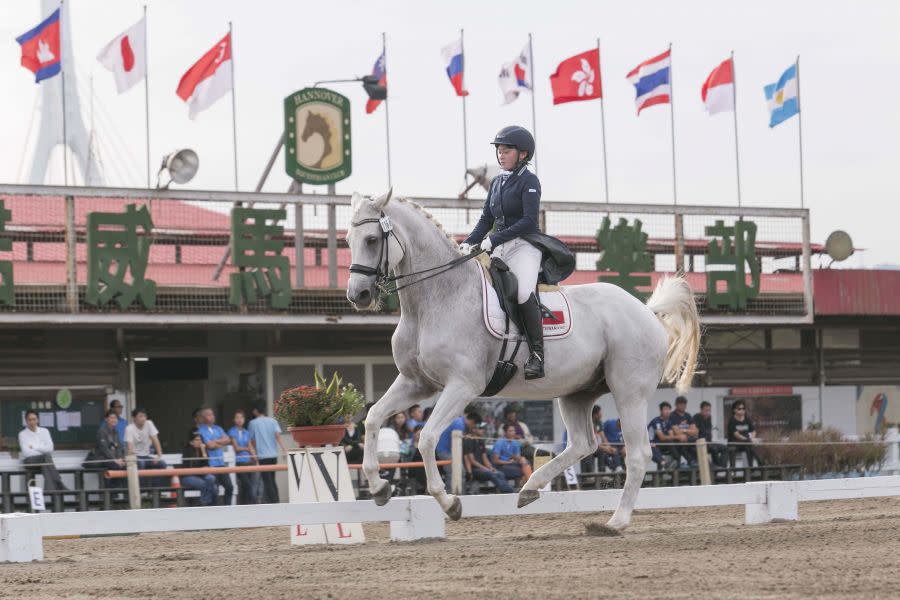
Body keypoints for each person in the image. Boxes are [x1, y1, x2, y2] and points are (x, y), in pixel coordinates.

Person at [459, 126, 550, 380]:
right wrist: (469, 242)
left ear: (522, 154)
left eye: (506, 150)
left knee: (522, 293)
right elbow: (486, 218)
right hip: (500, 247)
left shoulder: (530, 181)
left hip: (525, 246)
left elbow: (529, 221)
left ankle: (537, 356)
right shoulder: (498, 181)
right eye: (499, 150)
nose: (501, 154)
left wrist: (495, 238)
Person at [18, 409, 68, 491]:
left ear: (38, 420)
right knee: (46, 456)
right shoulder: (22, 434)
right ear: (26, 421)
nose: (32, 422)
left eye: (34, 419)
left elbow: (50, 448)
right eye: (30, 420)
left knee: (45, 464)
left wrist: (34, 447)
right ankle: (59, 483)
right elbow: (27, 453)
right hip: (29, 461)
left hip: (43, 461)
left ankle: (49, 490)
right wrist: (42, 449)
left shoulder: (45, 431)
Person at [463, 415, 513, 494]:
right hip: (474, 469)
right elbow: (472, 461)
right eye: (481, 428)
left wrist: (490, 467)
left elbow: (484, 458)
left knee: (500, 473)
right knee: (491, 474)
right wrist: (485, 469)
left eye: (483, 428)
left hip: (482, 468)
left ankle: (503, 491)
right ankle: (509, 491)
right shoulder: (469, 441)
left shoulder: (481, 441)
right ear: (474, 429)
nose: (483, 430)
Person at [249, 404, 287, 503]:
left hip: (262, 456)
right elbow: (278, 436)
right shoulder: (273, 421)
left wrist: (254, 454)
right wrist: (284, 450)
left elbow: (251, 441)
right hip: (273, 455)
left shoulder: (253, 423)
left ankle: (274, 502)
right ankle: (275, 501)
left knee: (267, 481)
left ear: (256, 411)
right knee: (272, 479)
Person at [197, 406, 233, 506]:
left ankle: (227, 509)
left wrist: (215, 441)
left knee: (229, 487)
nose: (212, 416)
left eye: (212, 414)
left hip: (221, 464)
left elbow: (228, 440)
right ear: (203, 418)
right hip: (211, 465)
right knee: (214, 490)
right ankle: (214, 510)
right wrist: (220, 442)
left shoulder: (218, 428)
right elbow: (210, 445)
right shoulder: (201, 430)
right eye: (208, 415)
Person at [124, 408, 167, 488]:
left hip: (146, 456)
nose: (143, 418)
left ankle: (155, 489)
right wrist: (130, 460)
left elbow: (155, 440)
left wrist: (159, 455)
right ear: (134, 418)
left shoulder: (149, 423)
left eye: (144, 416)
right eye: (140, 416)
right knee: (141, 463)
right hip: (134, 456)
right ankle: (142, 489)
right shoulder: (129, 428)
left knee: (162, 464)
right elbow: (130, 448)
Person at [228, 410, 259, 505]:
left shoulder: (246, 432)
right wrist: (248, 449)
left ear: (244, 419)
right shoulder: (232, 431)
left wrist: (255, 458)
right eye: (237, 417)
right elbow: (236, 448)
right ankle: (253, 505)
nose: (239, 420)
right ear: (234, 419)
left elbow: (251, 446)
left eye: (241, 417)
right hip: (239, 462)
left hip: (248, 461)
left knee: (248, 486)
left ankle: (246, 506)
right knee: (247, 485)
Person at [181, 430, 218, 506]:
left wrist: (204, 451)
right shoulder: (187, 450)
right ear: (191, 441)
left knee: (211, 479)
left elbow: (206, 465)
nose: (199, 441)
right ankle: (204, 505)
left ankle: (209, 505)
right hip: (189, 476)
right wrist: (201, 470)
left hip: (201, 475)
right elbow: (189, 468)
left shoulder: (202, 450)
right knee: (210, 487)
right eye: (197, 440)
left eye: (200, 440)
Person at [727, 400, 764, 468]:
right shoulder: (732, 420)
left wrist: (752, 438)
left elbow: (753, 431)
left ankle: (756, 466)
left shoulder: (747, 419)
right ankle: (733, 470)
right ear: (734, 410)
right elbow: (736, 434)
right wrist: (747, 439)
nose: (742, 410)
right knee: (734, 448)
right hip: (735, 443)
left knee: (751, 447)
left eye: (743, 408)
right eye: (739, 409)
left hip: (746, 443)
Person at [694, 401, 727, 467]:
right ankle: (717, 466)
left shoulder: (709, 417)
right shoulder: (696, 417)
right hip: (701, 443)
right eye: (706, 410)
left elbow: (709, 430)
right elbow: (695, 433)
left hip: (709, 442)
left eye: (709, 410)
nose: (708, 412)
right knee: (714, 449)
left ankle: (722, 466)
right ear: (701, 410)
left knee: (725, 448)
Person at [668, 396, 698, 467]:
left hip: (689, 440)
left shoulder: (688, 415)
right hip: (677, 440)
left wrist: (683, 430)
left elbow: (695, 431)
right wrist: (689, 432)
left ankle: (695, 462)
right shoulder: (672, 416)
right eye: (681, 404)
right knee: (683, 441)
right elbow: (677, 432)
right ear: (676, 405)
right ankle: (690, 462)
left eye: (684, 404)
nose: (683, 406)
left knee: (697, 441)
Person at [648, 402, 679, 469]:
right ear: (661, 411)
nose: (667, 411)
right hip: (649, 442)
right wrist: (678, 436)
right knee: (652, 447)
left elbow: (671, 436)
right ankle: (664, 463)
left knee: (673, 443)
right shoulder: (656, 421)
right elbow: (661, 437)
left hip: (659, 443)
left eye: (669, 409)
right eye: (665, 409)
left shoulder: (668, 422)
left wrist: (673, 437)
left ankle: (677, 462)